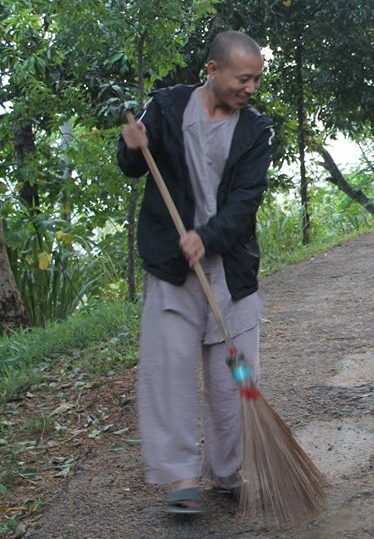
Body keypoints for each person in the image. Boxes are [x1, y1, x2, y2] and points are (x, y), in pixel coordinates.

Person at [118, 30, 274, 514]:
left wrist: (207, 236)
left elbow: (247, 201)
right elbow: (132, 165)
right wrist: (129, 145)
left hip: (229, 271)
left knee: (235, 378)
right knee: (169, 373)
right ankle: (181, 479)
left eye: (255, 81)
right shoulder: (165, 107)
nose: (249, 88)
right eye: (242, 79)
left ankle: (229, 472)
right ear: (213, 70)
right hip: (171, 268)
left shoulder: (256, 130)